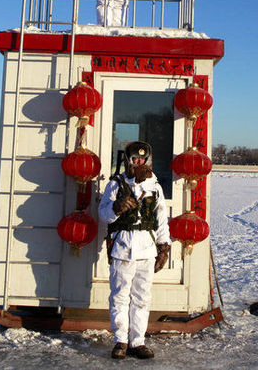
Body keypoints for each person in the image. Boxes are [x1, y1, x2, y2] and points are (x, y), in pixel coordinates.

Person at [98, 141, 171, 360]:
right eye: (135, 159)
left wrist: (163, 247)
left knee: (141, 298)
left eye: (142, 159)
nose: (139, 163)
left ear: (147, 160)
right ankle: (120, 340)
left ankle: (138, 341)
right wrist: (117, 207)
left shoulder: (155, 187)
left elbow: (161, 220)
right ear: (128, 161)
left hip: (147, 250)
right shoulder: (116, 184)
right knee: (119, 297)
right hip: (122, 249)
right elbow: (103, 214)